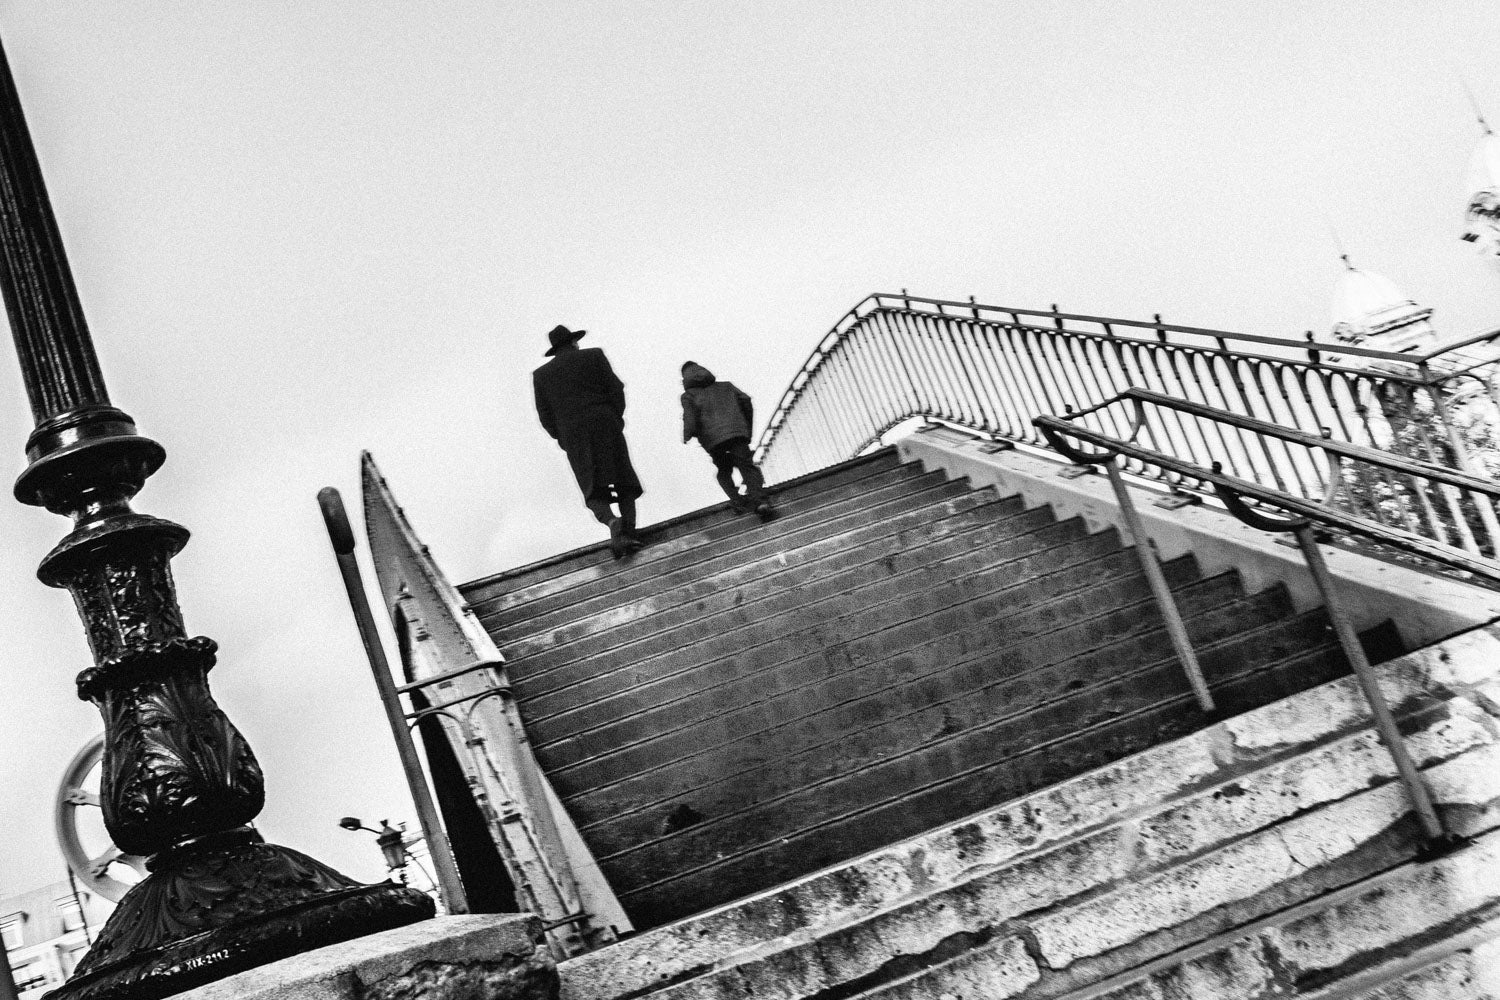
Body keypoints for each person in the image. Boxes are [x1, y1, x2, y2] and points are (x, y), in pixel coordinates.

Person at [533, 324, 645, 557]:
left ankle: (612, 522)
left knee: (592, 488)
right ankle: (630, 531)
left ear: (555, 350)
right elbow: (616, 389)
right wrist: (615, 416)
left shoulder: (541, 375)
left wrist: (562, 436)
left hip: (573, 433)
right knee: (624, 478)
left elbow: (545, 416)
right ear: (574, 342)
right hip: (604, 422)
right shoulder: (594, 356)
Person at [680, 360, 774, 519]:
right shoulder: (726, 386)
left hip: (712, 441)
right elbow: (746, 401)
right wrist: (746, 427)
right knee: (747, 466)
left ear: (685, 379)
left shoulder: (688, 396)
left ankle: (737, 501)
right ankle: (760, 502)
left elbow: (690, 418)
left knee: (723, 470)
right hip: (737, 433)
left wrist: (688, 434)